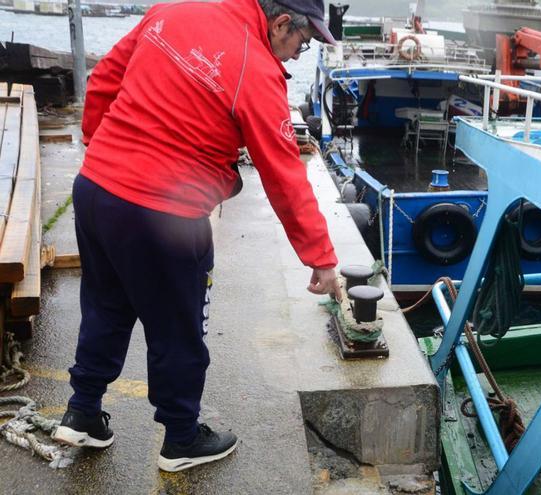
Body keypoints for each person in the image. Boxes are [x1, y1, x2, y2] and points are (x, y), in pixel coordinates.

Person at [51, 0, 342, 472]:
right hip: (167, 217)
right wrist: (321, 258)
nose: (294, 56)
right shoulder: (258, 70)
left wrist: (102, 150)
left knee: (106, 303)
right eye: (301, 44)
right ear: (282, 21)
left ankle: (83, 410)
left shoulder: (175, 9)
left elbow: (105, 77)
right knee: (179, 328)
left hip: (97, 191)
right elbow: (285, 176)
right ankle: (182, 439)